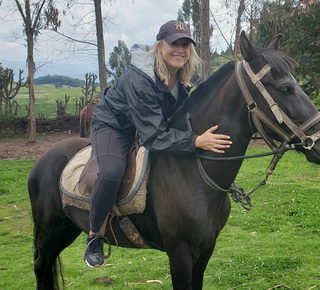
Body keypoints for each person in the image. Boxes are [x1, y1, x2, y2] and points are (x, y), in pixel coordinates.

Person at [84, 20, 232, 268]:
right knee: (110, 172)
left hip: (147, 124)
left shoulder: (184, 76)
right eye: (175, 43)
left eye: (185, 44)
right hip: (115, 126)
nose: (180, 49)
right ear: (160, 45)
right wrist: (196, 140)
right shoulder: (139, 78)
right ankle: (94, 237)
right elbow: (154, 137)